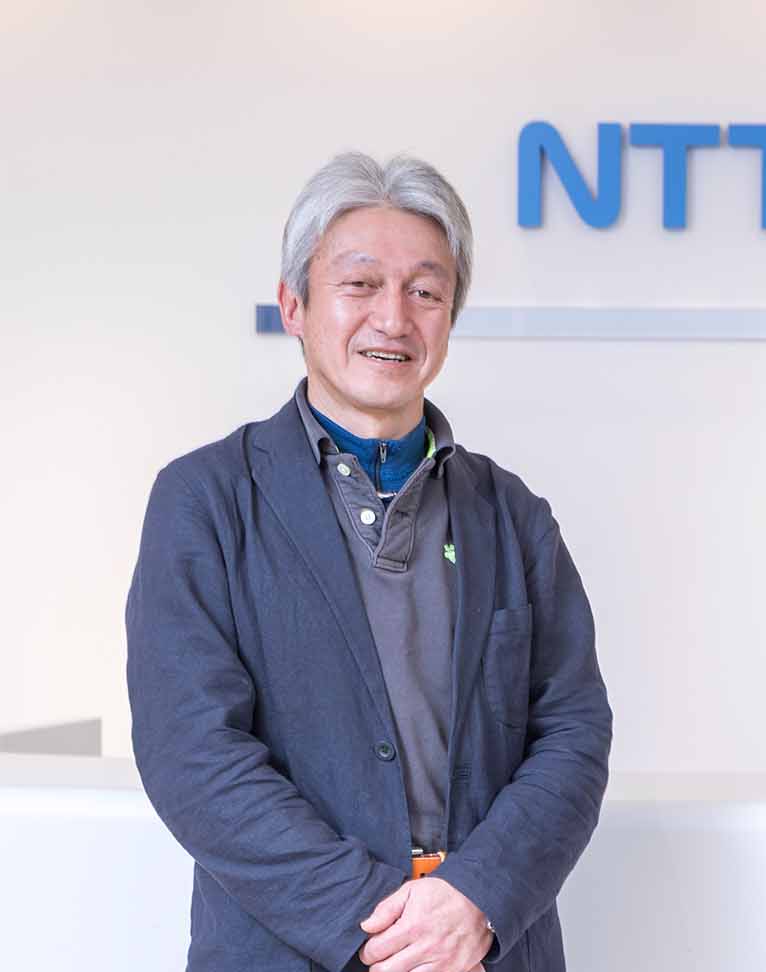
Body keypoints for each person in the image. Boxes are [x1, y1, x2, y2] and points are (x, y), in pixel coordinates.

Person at [126, 153, 611, 972]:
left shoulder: (514, 516)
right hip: (289, 951)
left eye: (425, 291)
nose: (394, 318)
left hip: (485, 948)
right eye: (360, 284)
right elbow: (194, 756)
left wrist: (476, 900)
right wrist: (384, 930)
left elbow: (573, 732)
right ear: (294, 305)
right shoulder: (204, 501)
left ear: (449, 319)